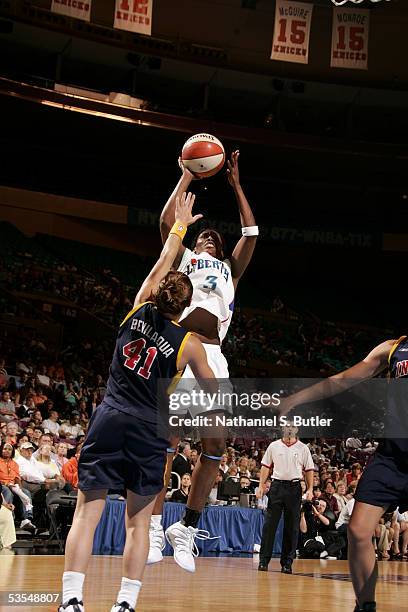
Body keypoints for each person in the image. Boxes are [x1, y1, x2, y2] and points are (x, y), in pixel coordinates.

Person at [59, 191, 217, 612]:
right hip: (149, 428)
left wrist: (181, 226)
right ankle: (125, 604)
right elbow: (213, 391)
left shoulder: (137, 309)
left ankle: (71, 600)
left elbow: (165, 257)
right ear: (185, 308)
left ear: (158, 293)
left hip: (110, 416)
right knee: (138, 524)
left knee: (86, 516)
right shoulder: (189, 344)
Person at [149, 149, 258, 572]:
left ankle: (187, 527)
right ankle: (157, 524)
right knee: (169, 444)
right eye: (203, 235)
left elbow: (251, 231)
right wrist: (185, 177)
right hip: (181, 348)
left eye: (215, 236)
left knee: (215, 445)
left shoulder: (231, 267)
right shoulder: (184, 257)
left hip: (215, 357)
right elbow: (165, 224)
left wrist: (235, 185)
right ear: (193, 243)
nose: (209, 236)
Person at [280, 335, 408, 612]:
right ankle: (365, 605)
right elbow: (341, 379)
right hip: (392, 457)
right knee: (358, 530)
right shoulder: (394, 348)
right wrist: (294, 398)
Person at [256, 422, 314, 574]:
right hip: (276, 486)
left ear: (297, 430)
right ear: (282, 429)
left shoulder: (303, 448)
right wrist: (261, 485)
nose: (289, 428)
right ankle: (264, 560)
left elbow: (309, 470)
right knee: (270, 525)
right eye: (287, 426)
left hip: (294, 488)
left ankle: (287, 563)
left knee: (292, 527)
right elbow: (265, 466)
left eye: (293, 426)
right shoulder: (274, 446)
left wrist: (310, 489)